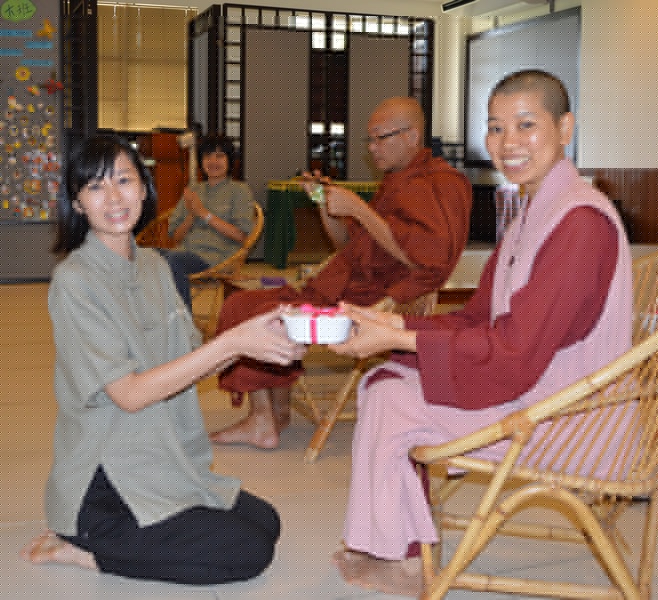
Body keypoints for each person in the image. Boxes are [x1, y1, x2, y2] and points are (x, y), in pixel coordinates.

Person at [328, 70, 632, 596]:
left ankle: (403, 556)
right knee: (388, 377)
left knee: (391, 397)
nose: (508, 142)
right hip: (544, 385)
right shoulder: (534, 209)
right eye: (495, 127)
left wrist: (400, 339)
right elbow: (478, 318)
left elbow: (513, 350)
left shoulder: (579, 222)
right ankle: (401, 540)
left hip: (573, 418)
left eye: (526, 125)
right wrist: (394, 324)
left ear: (565, 128)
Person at [20, 134, 306, 584]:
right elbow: (130, 394)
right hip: (105, 481)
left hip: (160, 459)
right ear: (76, 203)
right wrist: (232, 343)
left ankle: (113, 542)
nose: (114, 197)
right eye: (95, 187)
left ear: (144, 188)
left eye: (123, 180)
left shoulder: (155, 265)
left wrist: (254, 338)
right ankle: (87, 551)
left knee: (265, 522)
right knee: (249, 552)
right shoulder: (75, 281)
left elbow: (190, 362)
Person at [210, 96, 473, 449]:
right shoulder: (396, 181)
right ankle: (276, 412)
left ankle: (261, 421)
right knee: (245, 301)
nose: (372, 147)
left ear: (412, 136)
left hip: (371, 306)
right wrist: (324, 203)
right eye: (370, 139)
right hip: (344, 288)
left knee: (253, 314)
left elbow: (424, 260)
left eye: (381, 138)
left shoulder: (441, 183)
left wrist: (360, 210)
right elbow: (348, 245)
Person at [161, 134, 255, 309]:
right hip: (185, 252)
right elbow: (175, 237)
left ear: (230, 160)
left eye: (220, 156)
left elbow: (241, 235)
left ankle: (184, 320)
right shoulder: (193, 190)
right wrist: (192, 215)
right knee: (144, 256)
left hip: (217, 257)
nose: (213, 161)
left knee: (172, 261)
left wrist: (204, 214)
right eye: (207, 156)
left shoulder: (239, 190)